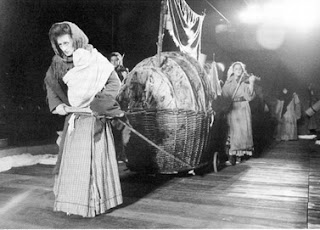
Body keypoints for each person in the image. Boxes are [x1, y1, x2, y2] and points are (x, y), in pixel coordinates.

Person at [44, 21, 123, 217]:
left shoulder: (94, 59)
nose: (65, 48)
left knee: (94, 163)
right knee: (75, 164)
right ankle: (74, 204)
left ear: (76, 39)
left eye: (67, 43)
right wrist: (58, 105)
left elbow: (114, 83)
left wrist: (98, 103)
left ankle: (97, 203)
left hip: (93, 118)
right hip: (75, 118)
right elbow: (50, 84)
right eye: (60, 45)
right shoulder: (58, 62)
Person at [222, 62, 256, 165]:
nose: (238, 70)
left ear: (243, 70)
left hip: (243, 107)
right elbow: (224, 94)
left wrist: (252, 83)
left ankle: (239, 157)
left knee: (242, 132)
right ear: (232, 70)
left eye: (240, 69)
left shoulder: (245, 82)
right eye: (236, 68)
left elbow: (250, 96)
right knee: (232, 132)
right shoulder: (229, 82)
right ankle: (232, 156)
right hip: (233, 108)